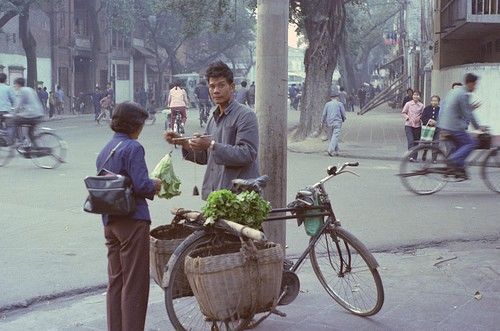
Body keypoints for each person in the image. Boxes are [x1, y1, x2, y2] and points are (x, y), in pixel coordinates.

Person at [96, 102, 161, 331]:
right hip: (132, 221)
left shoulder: (106, 149)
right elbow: (142, 185)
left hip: (110, 222)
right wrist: (156, 184)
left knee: (116, 281)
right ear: (134, 125)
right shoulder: (133, 147)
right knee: (135, 285)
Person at [164, 61, 260, 200]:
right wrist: (184, 143)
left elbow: (247, 153)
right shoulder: (213, 118)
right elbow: (206, 157)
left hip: (239, 197)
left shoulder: (245, 115)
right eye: (212, 86)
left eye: (221, 85)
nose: (216, 90)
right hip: (216, 196)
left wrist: (211, 145)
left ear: (232, 87)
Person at [438, 73, 482, 178]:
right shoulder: (464, 94)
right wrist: (478, 127)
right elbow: (468, 114)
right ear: (470, 83)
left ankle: (459, 169)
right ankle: (453, 160)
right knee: (471, 143)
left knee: (461, 146)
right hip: (454, 126)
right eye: (475, 84)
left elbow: (459, 110)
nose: (475, 87)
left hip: (444, 124)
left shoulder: (454, 91)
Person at [7, 78, 44, 145]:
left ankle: (11, 142)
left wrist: (13, 114)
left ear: (18, 84)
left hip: (31, 114)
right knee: (30, 133)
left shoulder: (21, 91)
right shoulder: (30, 89)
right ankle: (36, 148)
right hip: (39, 113)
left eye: (15, 85)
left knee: (13, 121)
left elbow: (18, 105)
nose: (15, 87)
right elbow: (28, 103)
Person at [321, 92, 347, 157]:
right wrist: (344, 119)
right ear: (336, 97)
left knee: (333, 136)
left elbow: (324, 114)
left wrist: (322, 121)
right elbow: (343, 113)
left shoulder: (327, 104)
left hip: (329, 122)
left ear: (331, 98)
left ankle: (337, 150)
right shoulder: (340, 104)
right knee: (335, 136)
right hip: (337, 122)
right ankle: (330, 149)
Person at [402, 90, 424, 162]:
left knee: (416, 142)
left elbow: (423, 114)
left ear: (419, 97)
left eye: (417, 95)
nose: (415, 96)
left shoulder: (421, 105)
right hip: (409, 125)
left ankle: (414, 157)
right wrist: (407, 117)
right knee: (410, 140)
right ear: (412, 96)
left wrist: (420, 118)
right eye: (414, 95)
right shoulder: (408, 104)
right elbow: (403, 112)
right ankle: (410, 156)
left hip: (417, 126)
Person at [421, 95, 441, 162]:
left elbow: (442, 119)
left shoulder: (440, 110)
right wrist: (429, 121)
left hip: (437, 129)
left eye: (436, 101)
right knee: (427, 143)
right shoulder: (427, 108)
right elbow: (423, 117)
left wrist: (436, 122)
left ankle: (434, 158)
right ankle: (425, 152)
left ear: (438, 102)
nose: (434, 102)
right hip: (428, 128)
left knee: (436, 143)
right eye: (432, 100)